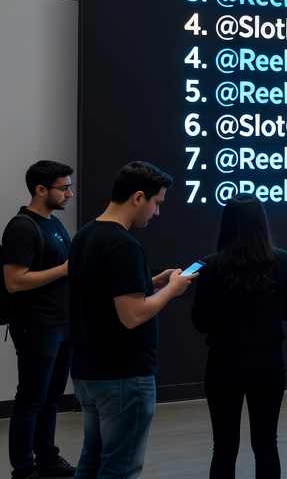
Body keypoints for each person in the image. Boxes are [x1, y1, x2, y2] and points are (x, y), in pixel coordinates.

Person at [68, 161, 197, 479]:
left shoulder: (85, 236)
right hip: (123, 375)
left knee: (92, 461)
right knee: (119, 469)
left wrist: (150, 283)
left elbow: (104, 293)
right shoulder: (124, 245)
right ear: (138, 197)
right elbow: (133, 315)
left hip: (89, 371)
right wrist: (171, 290)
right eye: (156, 203)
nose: (156, 213)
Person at [191, 194, 287, 479]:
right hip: (269, 362)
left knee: (223, 447)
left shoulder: (208, 266)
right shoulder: (283, 261)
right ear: (262, 223)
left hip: (223, 364)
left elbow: (201, 322)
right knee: (266, 444)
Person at [3, 161, 77, 479]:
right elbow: (14, 281)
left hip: (61, 325)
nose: (69, 193)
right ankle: (24, 468)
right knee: (31, 398)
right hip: (36, 327)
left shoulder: (54, 224)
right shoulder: (22, 227)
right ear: (41, 190)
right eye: (63, 188)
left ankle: (47, 459)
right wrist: (63, 270)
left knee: (50, 398)